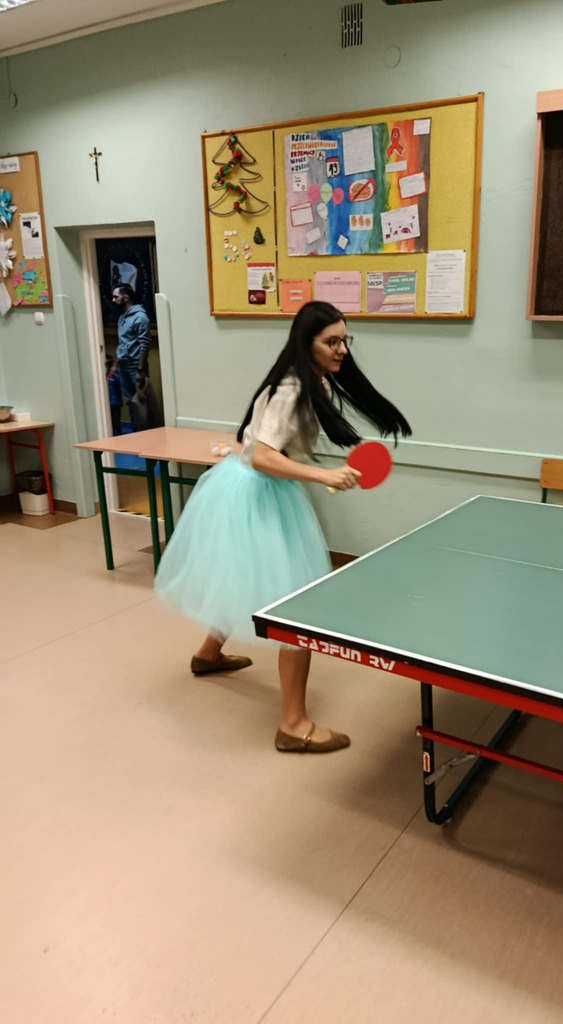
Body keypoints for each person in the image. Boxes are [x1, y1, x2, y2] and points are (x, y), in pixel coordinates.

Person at [155, 301, 411, 754]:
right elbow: (261, 455)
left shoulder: (308, 380)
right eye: (331, 341)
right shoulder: (292, 387)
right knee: (297, 609)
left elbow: (256, 444)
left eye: (345, 340)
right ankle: (293, 725)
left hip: (244, 488)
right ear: (306, 343)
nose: (341, 349)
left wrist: (318, 471)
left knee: (240, 575)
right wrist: (323, 474)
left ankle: (208, 654)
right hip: (258, 492)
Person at [112, 284, 150, 429]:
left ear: (126, 297)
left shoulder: (140, 317)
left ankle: (144, 434)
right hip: (123, 366)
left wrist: (140, 369)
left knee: (140, 402)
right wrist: (115, 364)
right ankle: (135, 433)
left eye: (116, 297)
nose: (113, 300)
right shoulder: (122, 317)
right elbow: (122, 343)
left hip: (135, 367)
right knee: (130, 402)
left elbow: (144, 345)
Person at [105, 355, 123, 435]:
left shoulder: (115, 377)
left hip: (115, 404)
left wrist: (114, 369)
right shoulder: (102, 377)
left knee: (116, 424)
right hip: (106, 403)